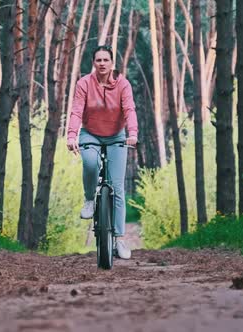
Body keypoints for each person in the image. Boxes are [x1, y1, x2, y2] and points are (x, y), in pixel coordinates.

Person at [66, 45, 138, 260]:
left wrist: (132, 133)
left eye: (106, 60)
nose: (102, 63)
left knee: (117, 187)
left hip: (117, 136)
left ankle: (119, 239)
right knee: (89, 164)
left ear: (112, 63)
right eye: (98, 60)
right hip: (90, 134)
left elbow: (130, 109)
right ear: (93, 63)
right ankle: (90, 199)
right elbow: (77, 110)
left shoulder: (123, 84)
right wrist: (71, 135)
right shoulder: (84, 84)